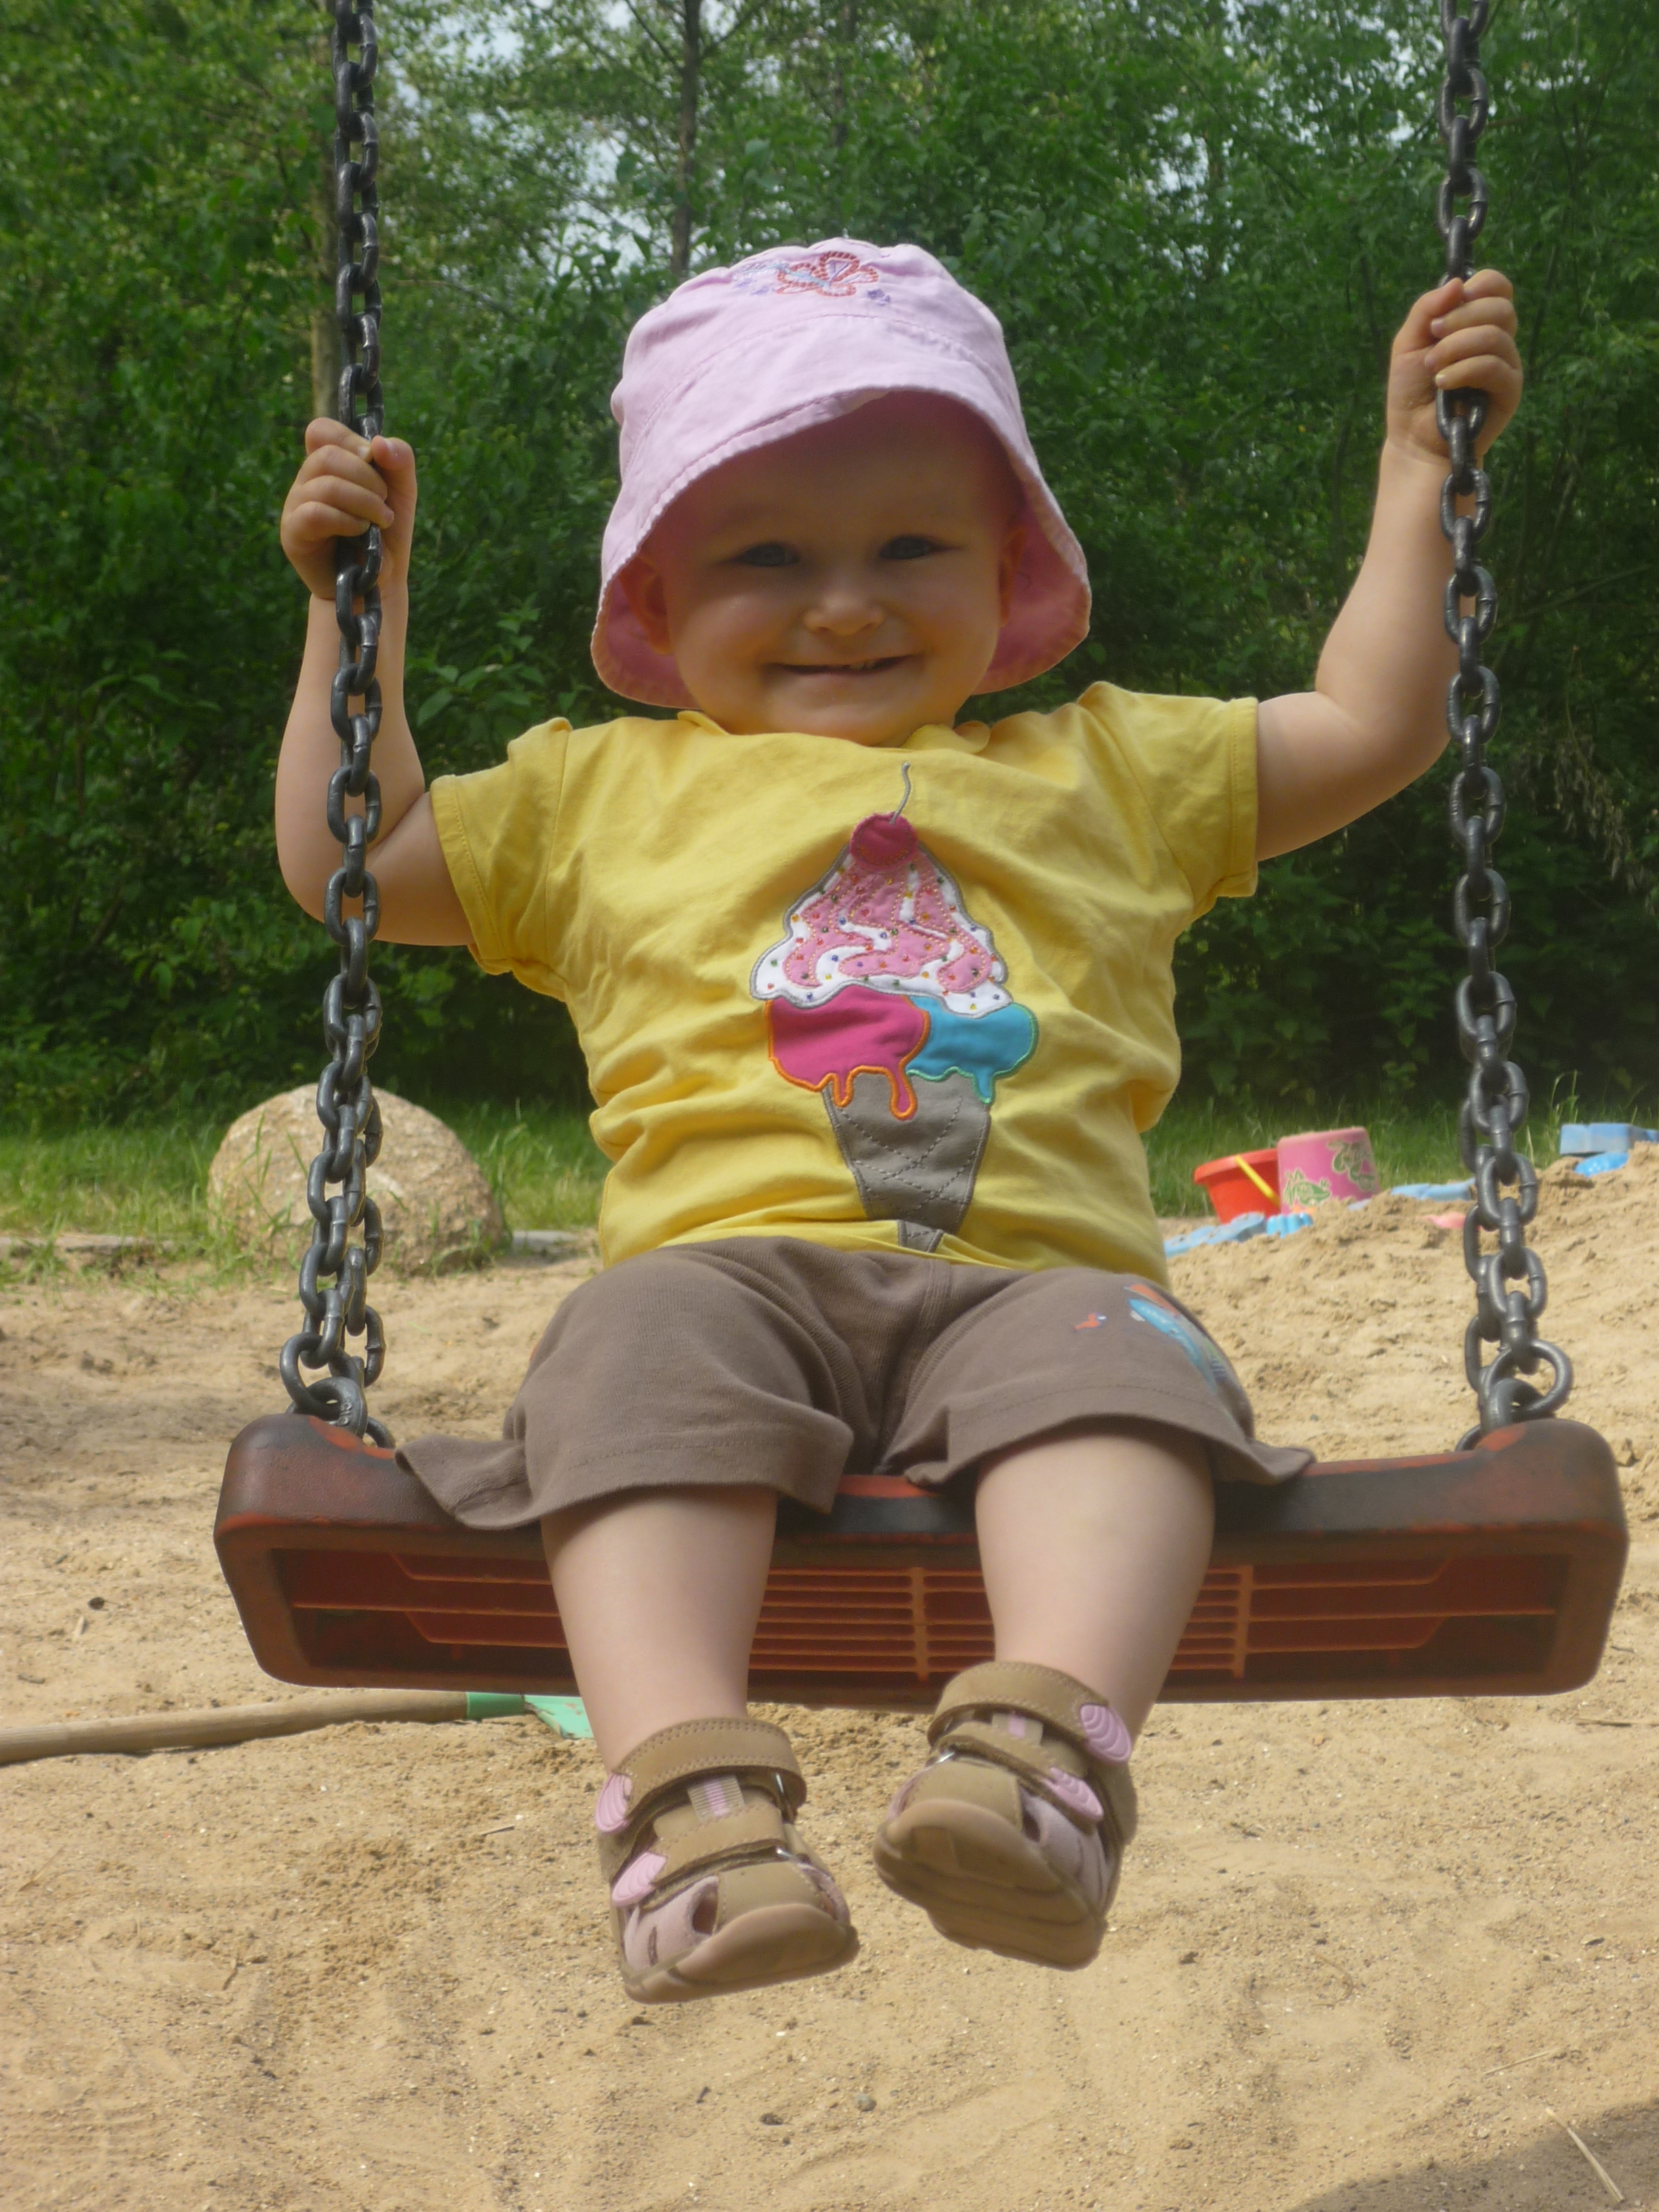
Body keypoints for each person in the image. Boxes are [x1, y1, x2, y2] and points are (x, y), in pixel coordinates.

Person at [276, 239, 1521, 2004]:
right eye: (769, 558)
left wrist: (1417, 470)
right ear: (657, 597)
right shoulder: (596, 794)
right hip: (723, 1277)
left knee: (1141, 1376)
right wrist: (357, 609)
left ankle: (1043, 1763)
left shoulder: (1111, 771)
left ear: (1008, 574)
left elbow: (1376, 723)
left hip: (1039, 1289)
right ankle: (688, 1805)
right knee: (622, 1356)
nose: (845, 604)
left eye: (911, 549)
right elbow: (350, 859)